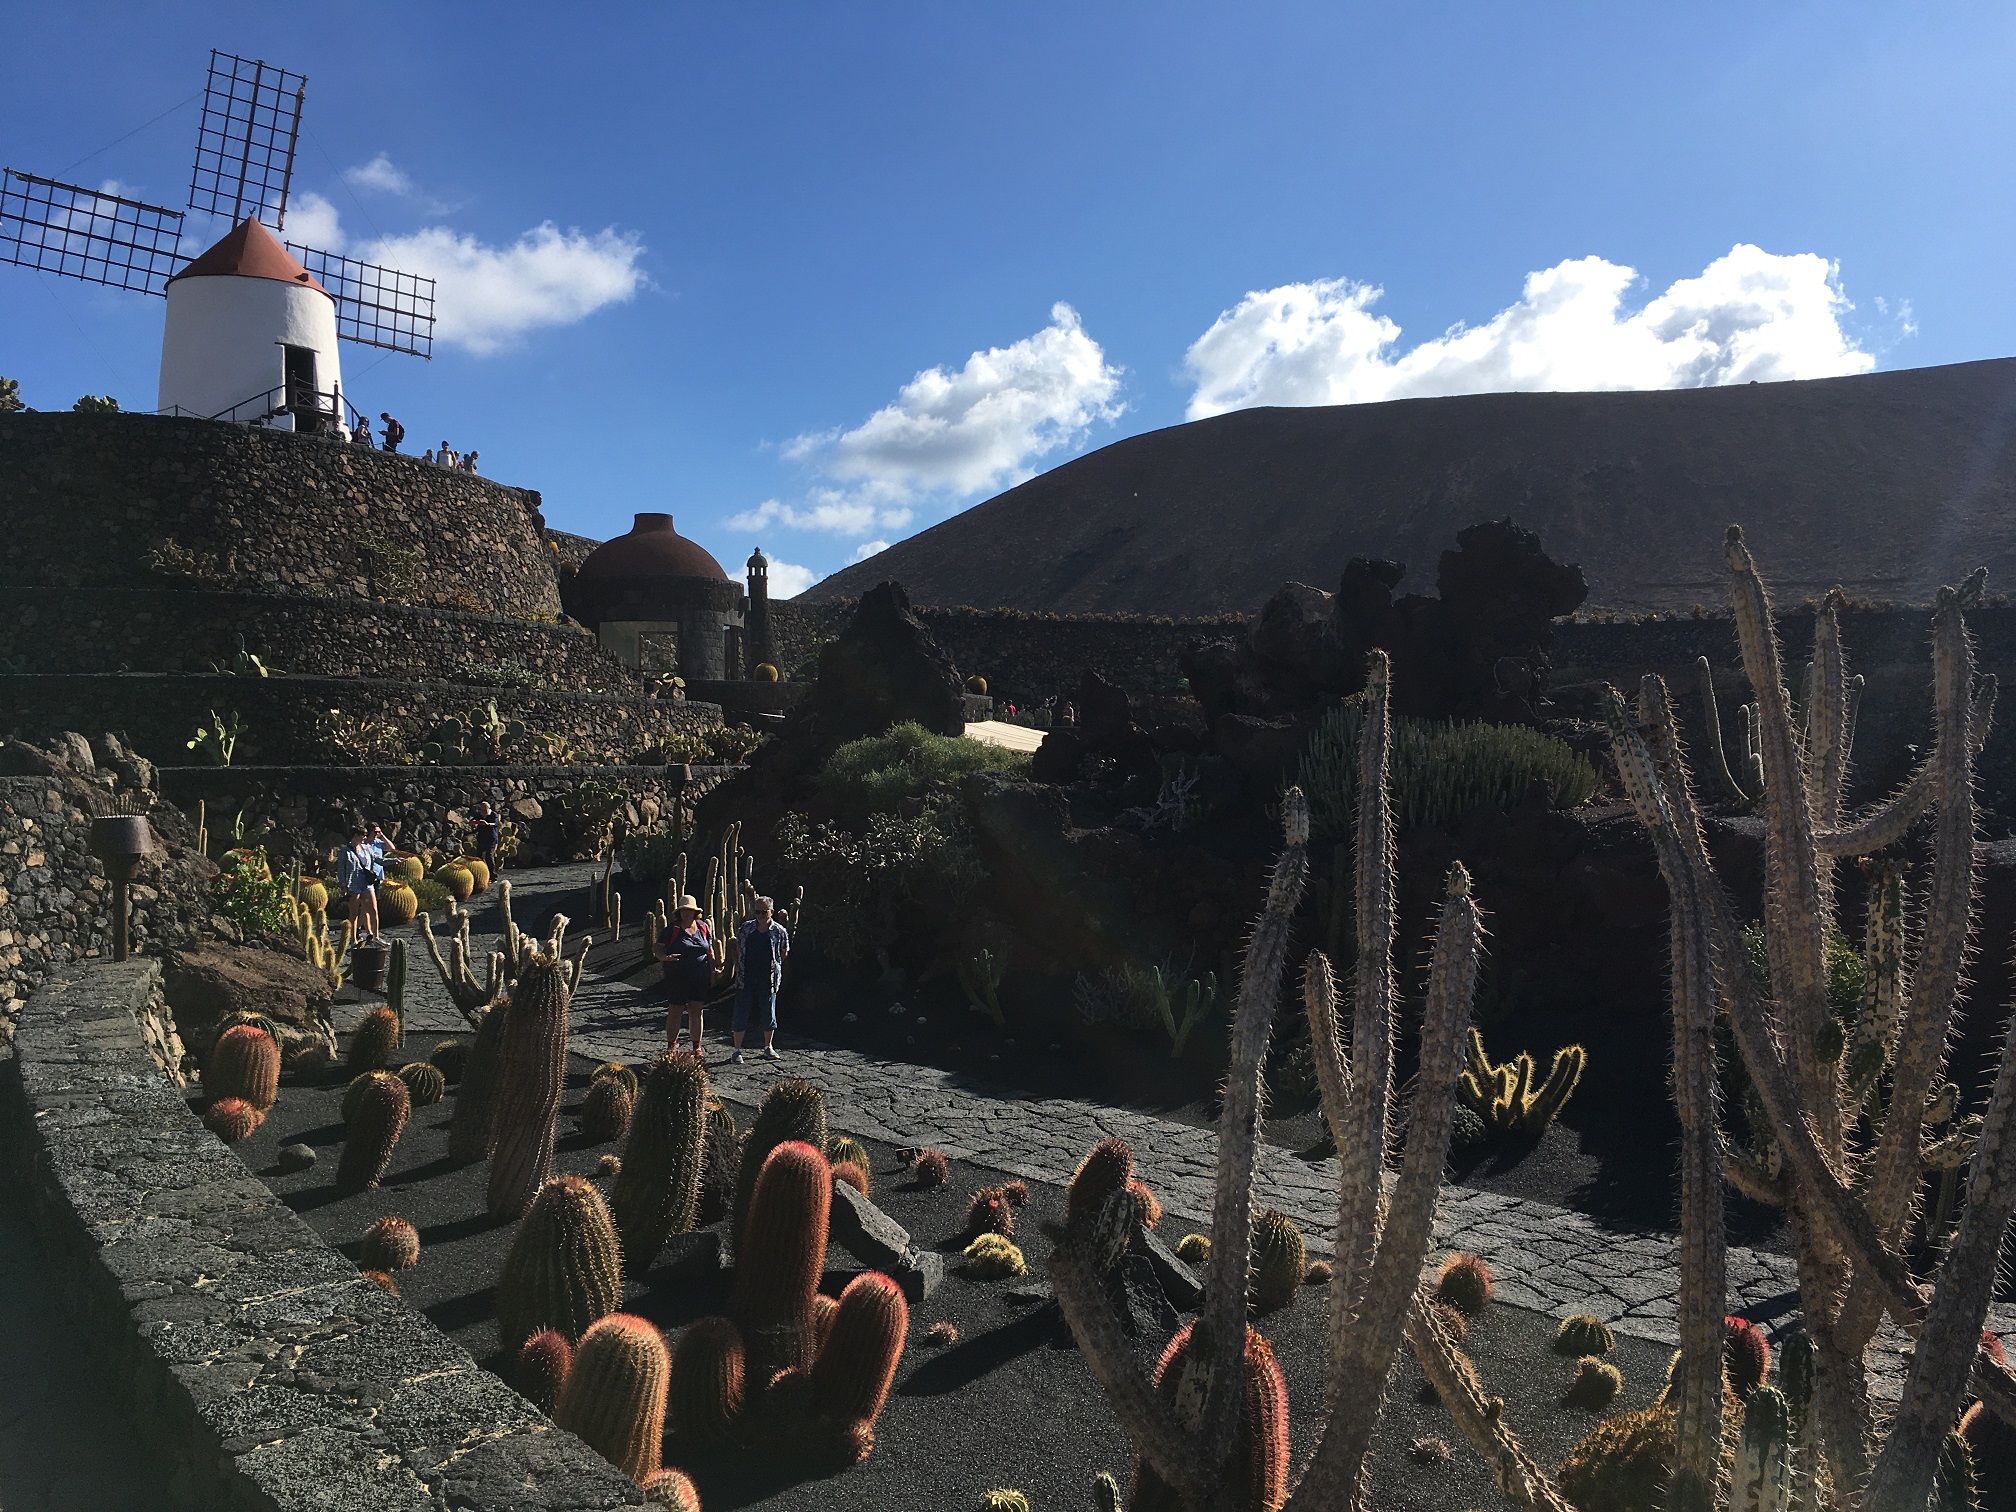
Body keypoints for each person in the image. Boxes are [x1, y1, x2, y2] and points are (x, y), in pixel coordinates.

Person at [730, 895, 790, 1063]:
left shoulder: (779, 931)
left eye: (764, 912)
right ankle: (737, 1050)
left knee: (768, 1013)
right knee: (741, 1013)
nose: (760, 916)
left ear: (772, 912)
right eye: (757, 912)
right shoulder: (746, 928)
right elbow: (739, 947)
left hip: (768, 979)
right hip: (746, 978)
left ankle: (768, 1047)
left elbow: (783, 952)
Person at [653, 895, 714, 1054]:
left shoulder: (703, 927)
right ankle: (671, 1046)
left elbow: (709, 950)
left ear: (695, 912)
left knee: (696, 1010)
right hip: (677, 977)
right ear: (679, 912)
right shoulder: (672, 929)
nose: (686, 913)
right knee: (676, 1010)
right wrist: (664, 957)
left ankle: (697, 1047)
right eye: (683, 910)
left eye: (689, 910)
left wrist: (713, 971)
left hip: (700, 977)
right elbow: (658, 947)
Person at [338, 823, 388, 945]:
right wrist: (343, 885)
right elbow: (341, 869)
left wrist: (394, 860)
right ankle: (353, 940)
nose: (364, 838)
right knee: (354, 913)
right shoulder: (345, 851)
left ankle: (376, 937)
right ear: (355, 836)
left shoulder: (366, 848)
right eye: (362, 835)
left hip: (367, 884)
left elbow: (378, 860)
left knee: (373, 910)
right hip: (353, 885)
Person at [471, 801, 500, 869]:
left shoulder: (493, 814)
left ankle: (492, 873)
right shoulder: (479, 815)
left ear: (487, 808)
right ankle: (480, 871)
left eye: (484, 809)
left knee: (489, 856)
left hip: (491, 838)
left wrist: (487, 824)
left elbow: (496, 824)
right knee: (478, 856)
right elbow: (472, 821)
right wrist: (473, 823)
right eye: (481, 809)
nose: (483, 811)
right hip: (481, 837)